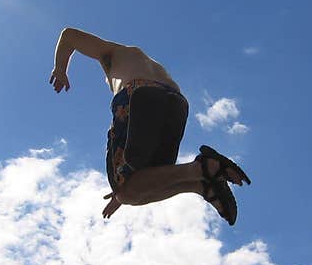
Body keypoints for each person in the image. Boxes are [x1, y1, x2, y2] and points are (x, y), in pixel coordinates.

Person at [50, 27, 250, 224]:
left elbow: (69, 35)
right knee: (133, 191)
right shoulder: (146, 62)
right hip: (176, 102)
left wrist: (60, 69)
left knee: (125, 190)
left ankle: (203, 168)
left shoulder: (110, 54)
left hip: (138, 94)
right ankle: (202, 185)